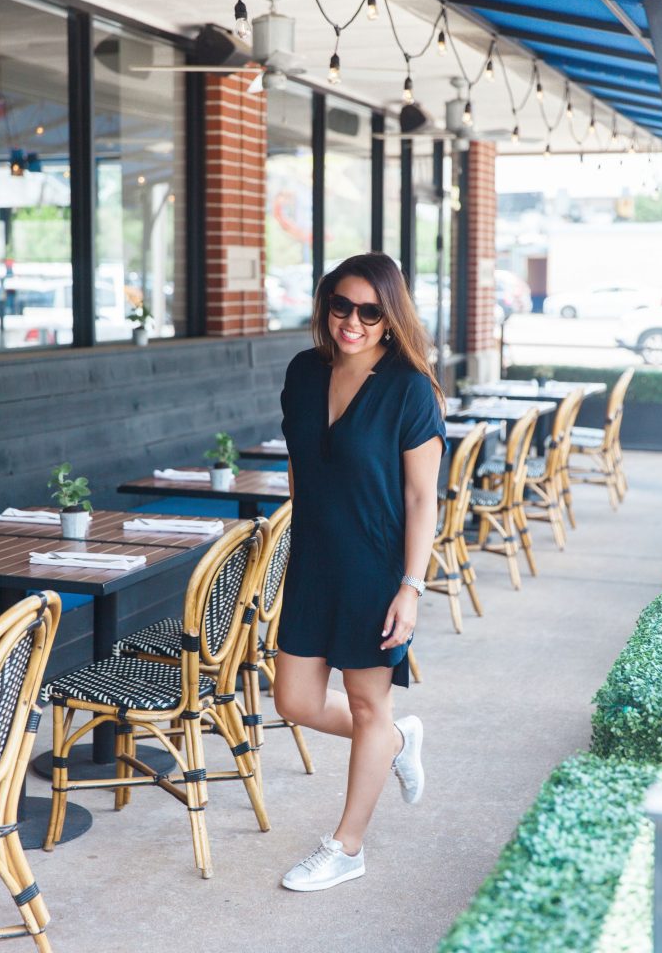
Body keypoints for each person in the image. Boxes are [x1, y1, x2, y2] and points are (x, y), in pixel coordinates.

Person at [274, 252, 446, 892]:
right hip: (313, 562)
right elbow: (300, 463)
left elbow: (422, 498)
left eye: (371, 312)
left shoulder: (409, 388)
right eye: (341, 306)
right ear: (325, 306)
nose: (353, 321)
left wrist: (411, 586)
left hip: (376, 570)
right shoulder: (303, 371)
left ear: (391, 316)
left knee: (370, 704)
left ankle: (346, 847)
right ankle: (394, 742)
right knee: (294, 701)